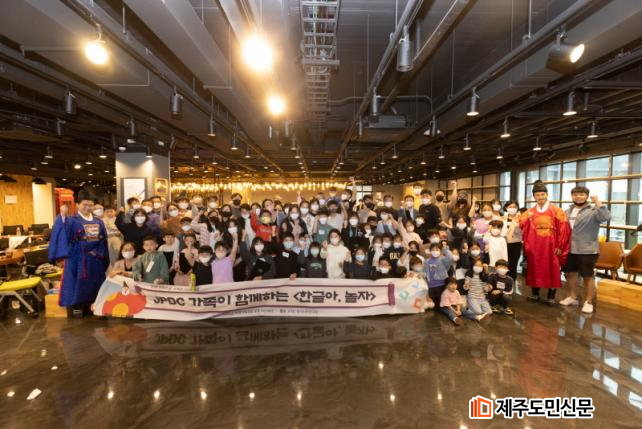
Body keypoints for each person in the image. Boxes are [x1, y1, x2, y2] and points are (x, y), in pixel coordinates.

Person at [50, 190, 109, 316]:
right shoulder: (71, 220)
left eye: (90, 205)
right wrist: (62, 215)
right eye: (84, 204)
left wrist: (97, 252)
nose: (88, 207)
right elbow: (62, 234)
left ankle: (95, 304)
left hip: (95, 256)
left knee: (95, 281)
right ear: (77, 205)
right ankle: (77, 306)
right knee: (77, 282)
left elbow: (103, 240)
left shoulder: (98, 221)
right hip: (77, 257)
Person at [559, 186, 611, 314]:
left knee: (587, 276)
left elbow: (606, 217)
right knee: (570, 274)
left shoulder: (593, 210)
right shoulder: (567, 211)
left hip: (587, 249)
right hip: (570, 248)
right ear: (572, 196)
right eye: (575, 194)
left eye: (581, 194)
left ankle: (588, 302)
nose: (578, 197)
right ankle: (572, 297)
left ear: (586, 196)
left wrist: (597, 202)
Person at [520, 181, 571, 304]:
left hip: (551, 245)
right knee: (534, 268)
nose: (540, 197)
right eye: (537, 195)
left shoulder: (556, 210)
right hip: (535, 244)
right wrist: (527, 219)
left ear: (547, 195)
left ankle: (551, 297)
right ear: (534, 197)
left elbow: (564, 229)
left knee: (552, 268)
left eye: (543, 194)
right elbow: (521, 225)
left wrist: (560, 246)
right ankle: (535, 295)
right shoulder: (530, 211)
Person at [423, 243, 454, 308]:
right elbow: (424, 272)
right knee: (432, 307)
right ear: (430, 251)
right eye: (433, 249)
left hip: (441, 286)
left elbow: (450, 257)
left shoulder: (443, 260)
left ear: (440, 251)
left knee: (442, 306)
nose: (435, 251)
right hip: (430, 287)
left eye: (437, 249)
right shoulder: (426, 261)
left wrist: (445, 249)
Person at [503, 201, 523, 282]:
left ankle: (511, 283)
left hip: (515, 244)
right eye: (510, 207)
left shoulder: (521, 218)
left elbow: (522, 232)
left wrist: (516, 223)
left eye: (514, 207)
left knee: (513, 265)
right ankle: (503, 282)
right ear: (506, 208)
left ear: (517, 208)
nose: (512, 209)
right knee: (504, 264)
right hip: (504, 244)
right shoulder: (502, 218)